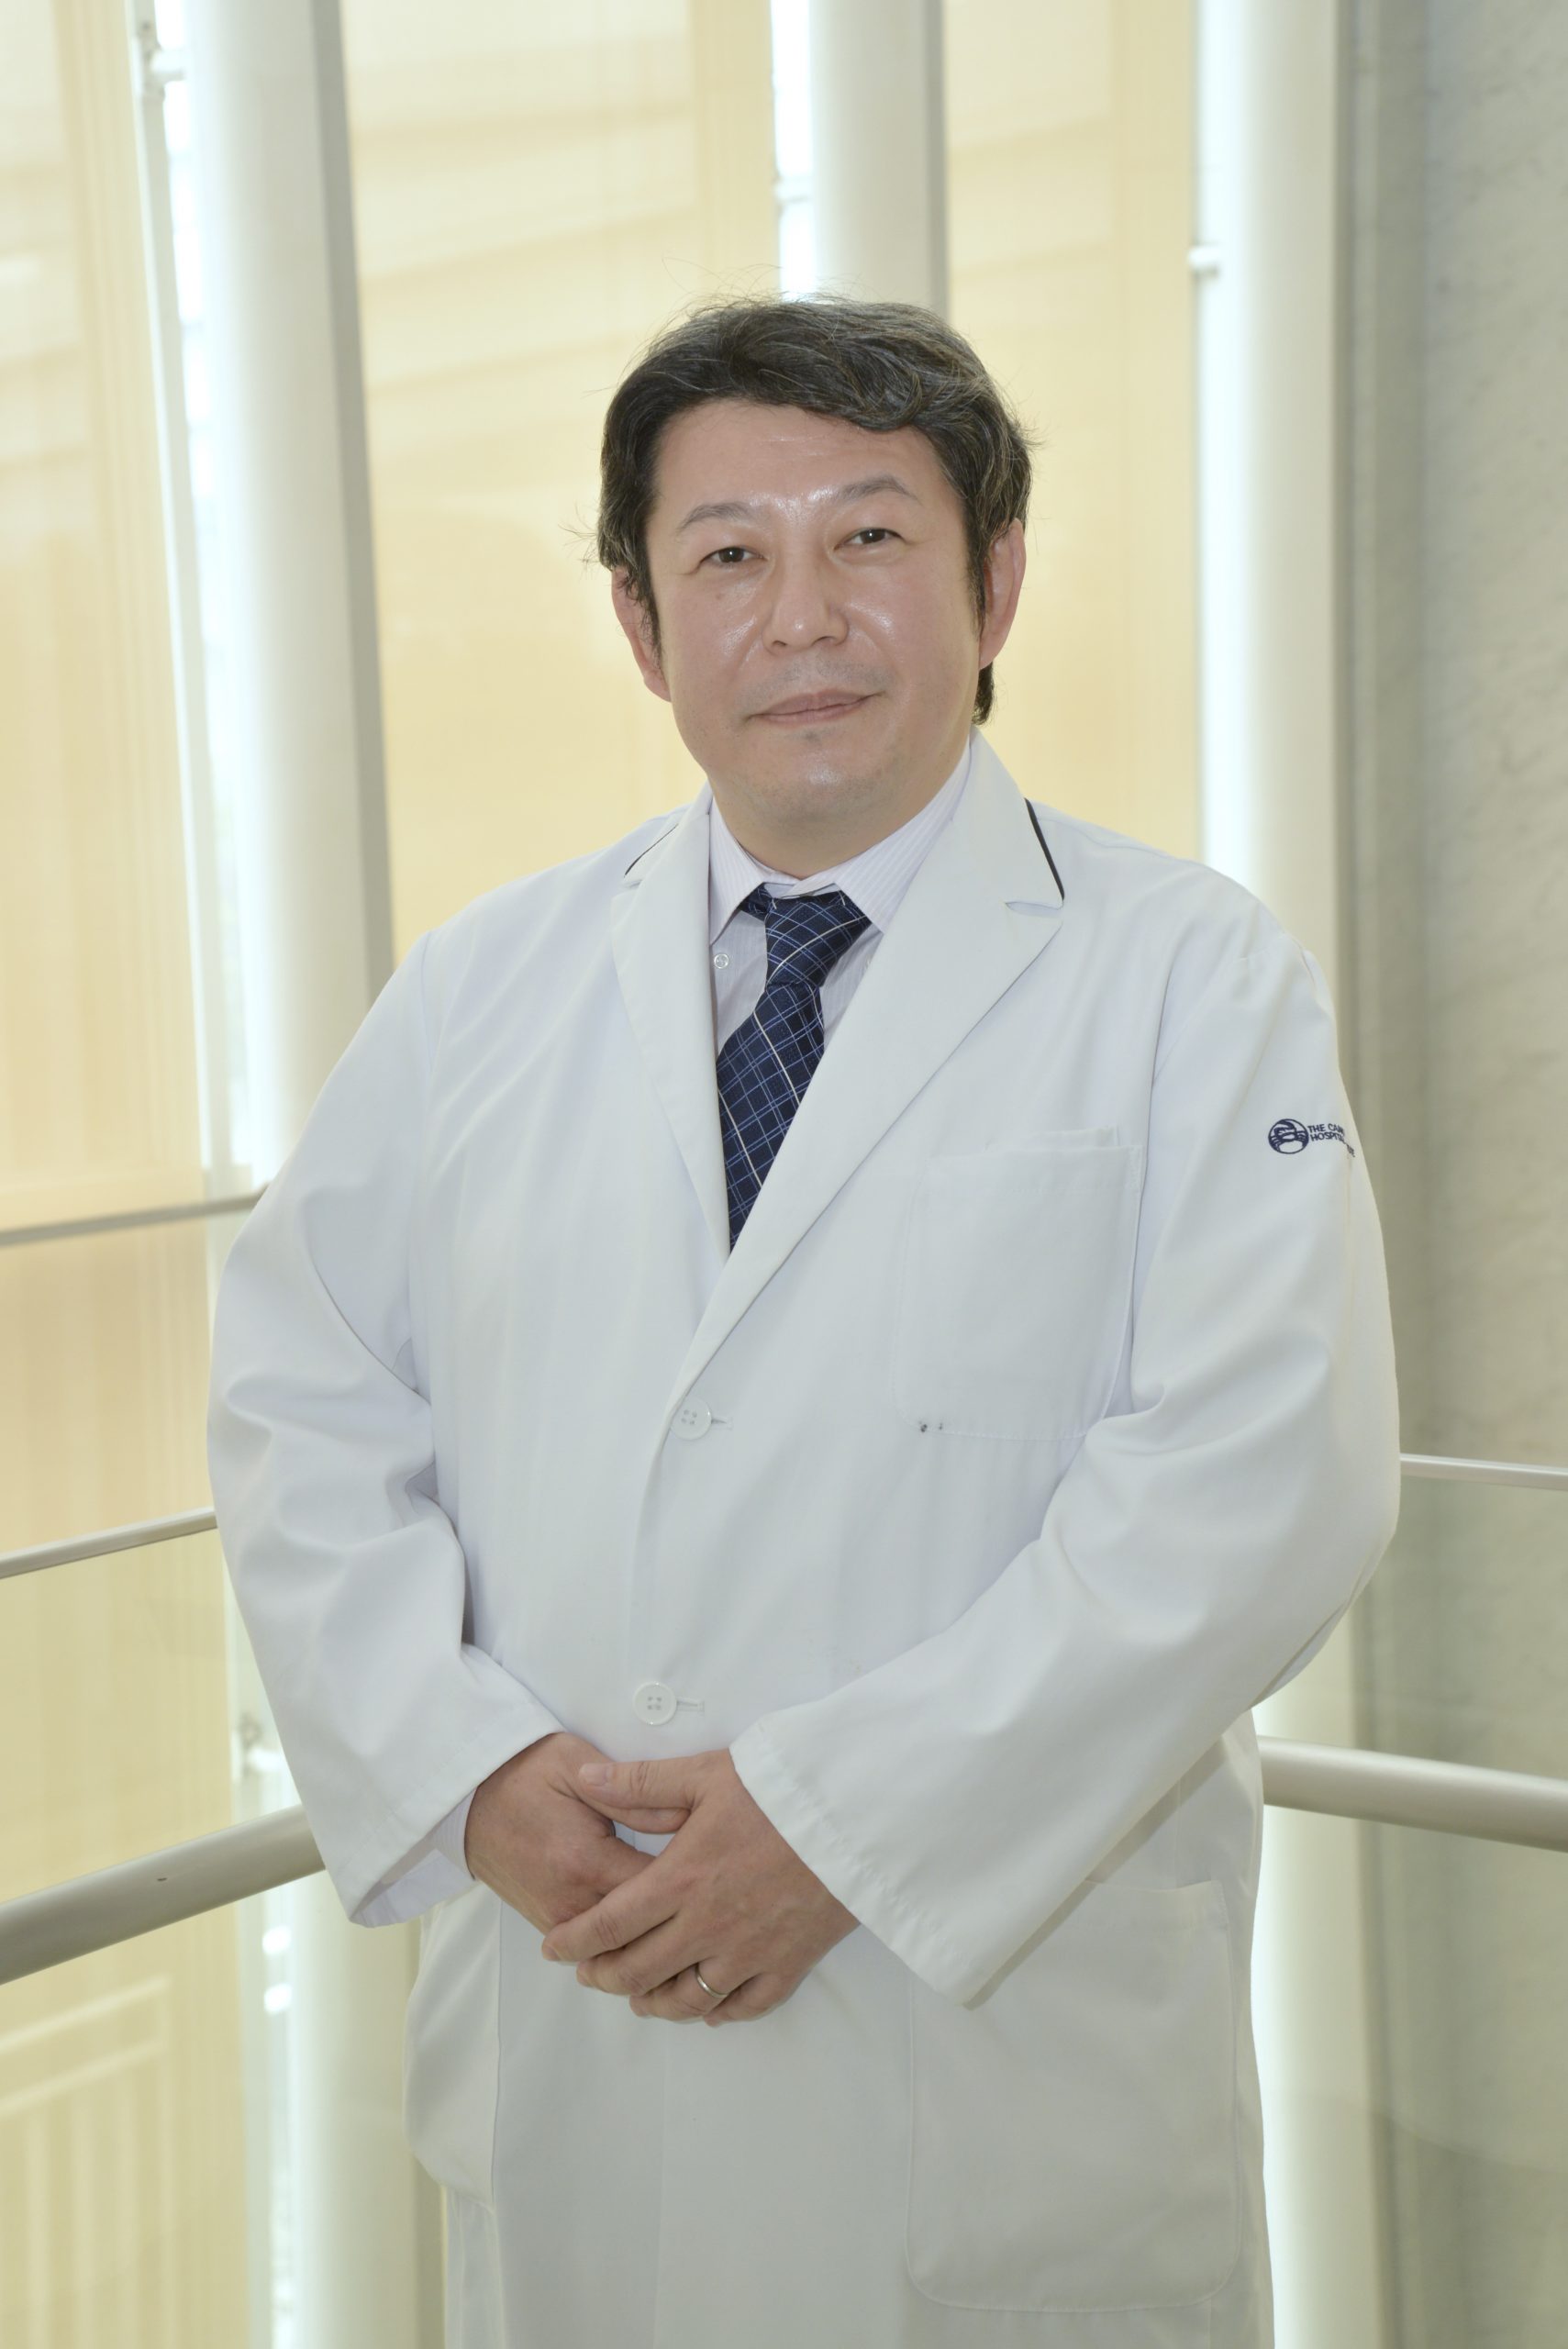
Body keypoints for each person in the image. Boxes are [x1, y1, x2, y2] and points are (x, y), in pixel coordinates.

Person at [206, 295, 1402, 2348]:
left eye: (869, 538)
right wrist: (467, 1773)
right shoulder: (479, 992)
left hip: (995, 2045)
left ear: (993, 584)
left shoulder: (1192, 979)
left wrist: (848, 1829)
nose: (802, 616)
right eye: (727, 556)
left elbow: (1263, 1476)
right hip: (582, 2023)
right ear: (641, 623)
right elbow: (302, 1399)